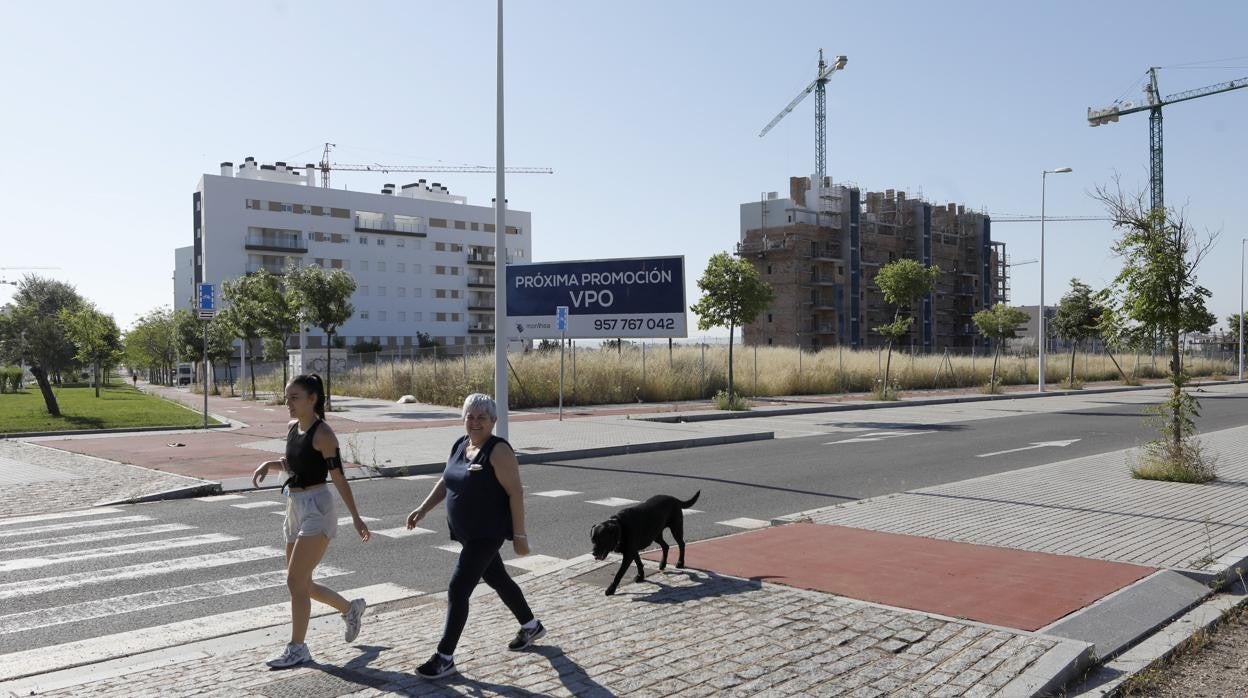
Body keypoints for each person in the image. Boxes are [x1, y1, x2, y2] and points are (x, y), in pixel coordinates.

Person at [406, 393, 545, 679]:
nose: (475, 422)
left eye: (482, 417)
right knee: (498, 578)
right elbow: (446, 480)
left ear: (494, 421)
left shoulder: (498, 450)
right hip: (467, 534)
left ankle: (444, 657)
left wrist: (519, 535)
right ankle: (531, 625)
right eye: (470, 416)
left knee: (458, 589)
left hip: (488, 533)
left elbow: (516, 493)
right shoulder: (460, 444)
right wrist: (422, 509)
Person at [252, 373, 371, 669]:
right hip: (294, 505)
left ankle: (298, 648)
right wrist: (270, 464)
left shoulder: (324, 434)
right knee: (302, 584)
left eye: (294, 398)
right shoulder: (293, 427)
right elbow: (295, 463)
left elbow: (339, 477)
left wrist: (356, 517)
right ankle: (351, 609)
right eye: (287, 397)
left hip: (318, 507)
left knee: (295, 581)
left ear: (312, 399)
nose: (288, 403)